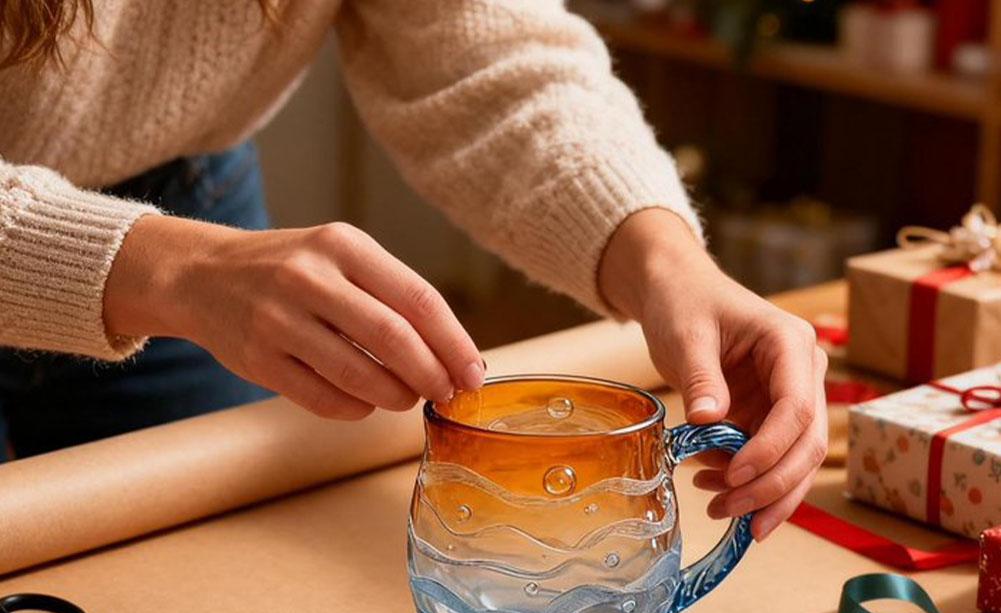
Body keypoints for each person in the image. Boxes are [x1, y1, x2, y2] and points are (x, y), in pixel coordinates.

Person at [0, 0, 827, 541]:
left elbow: (488, 63)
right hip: (175, 261)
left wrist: (665, 260)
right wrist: (170, 270)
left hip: (179, 204)